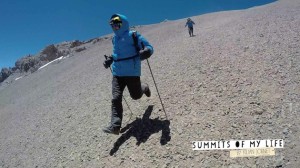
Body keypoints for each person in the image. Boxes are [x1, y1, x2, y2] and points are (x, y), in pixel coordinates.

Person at [103, 14, 154, 135]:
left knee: (136, 96)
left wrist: (147, 52)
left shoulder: (133, 35)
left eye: (116, 22)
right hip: (117, 73)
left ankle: (144, 87)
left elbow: (149, 46)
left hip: (132, 72)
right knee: (116, 98)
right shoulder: (114, 39)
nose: (114, 25)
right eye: (112, 23)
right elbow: (116, 54)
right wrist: (110, 59)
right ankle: (115, 126)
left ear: (123, 22)